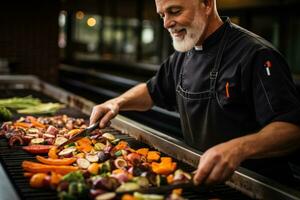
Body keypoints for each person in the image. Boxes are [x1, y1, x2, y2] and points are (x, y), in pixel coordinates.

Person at [89, 0, 300, 185]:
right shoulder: (183, 54)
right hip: (208, 180)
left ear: (207, 3)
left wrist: (238, 148)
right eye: (162, 14)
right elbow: (152, 91)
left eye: (174, 11)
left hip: (258, 187)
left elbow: (291, 130)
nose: (166, 23)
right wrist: (116, 103)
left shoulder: (257, 55)